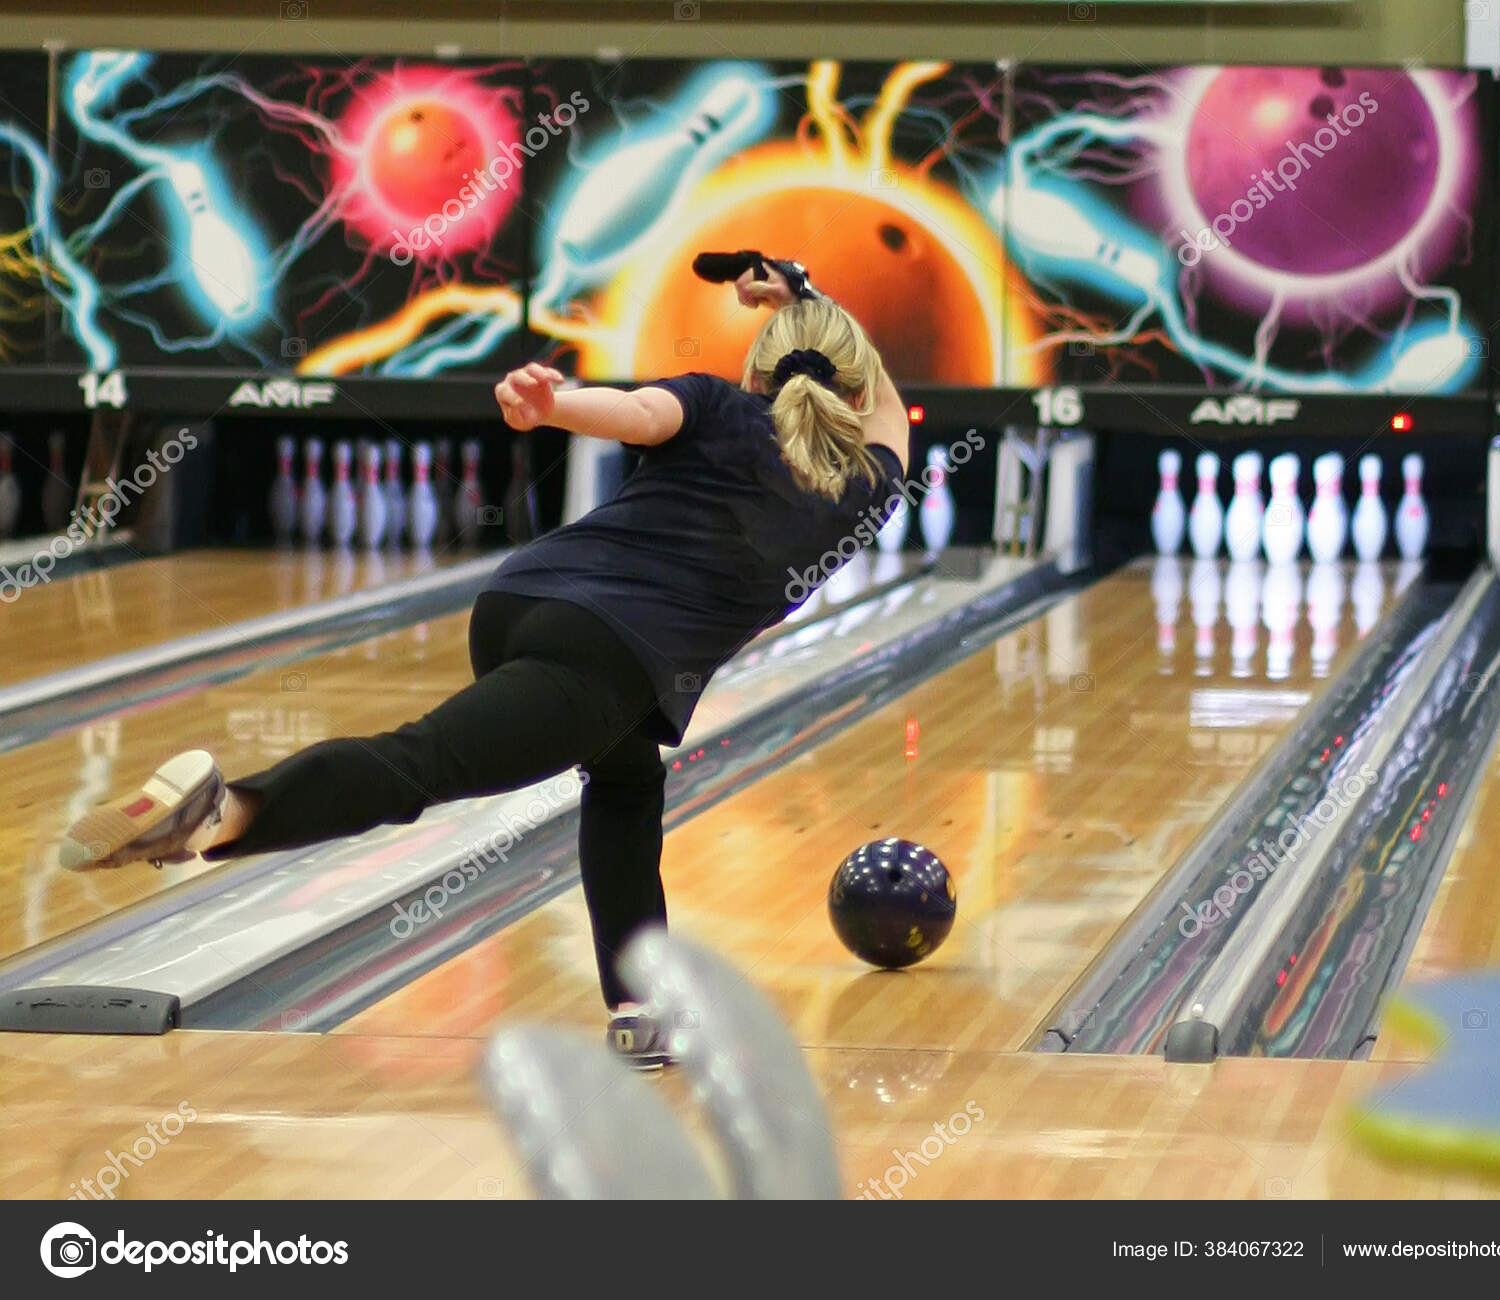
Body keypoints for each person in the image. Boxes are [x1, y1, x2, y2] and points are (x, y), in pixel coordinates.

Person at [58, 260, 911, 1069]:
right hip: (604, 660)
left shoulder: (721, 406)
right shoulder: (866, 491)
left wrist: (555, 406)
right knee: (417, 765)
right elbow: (880, 410)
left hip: (521, 600)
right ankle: (226, 811)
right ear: (863, 387)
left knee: (624, 780)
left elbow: (638, 415)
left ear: (758, 375)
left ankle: (640, 1006)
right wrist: (811, 295)